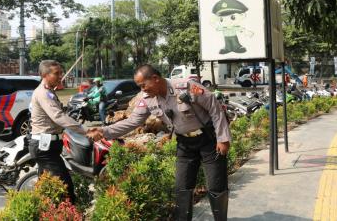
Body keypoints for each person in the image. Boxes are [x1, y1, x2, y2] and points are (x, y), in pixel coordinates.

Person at [87, 64, 231, 221]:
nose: (143, 90)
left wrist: (223, 138)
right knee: (181, 188)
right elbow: (133, 121)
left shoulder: (185, 86)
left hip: (209, 140)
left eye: (144, 85)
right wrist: (103, 131)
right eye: (140, 87)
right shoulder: (147, 99)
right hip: (184, 143)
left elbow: (214, 108)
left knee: (216, 187)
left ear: (155, 79)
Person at [28, 60, 89, 203]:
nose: (60, 76)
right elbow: (58, 117)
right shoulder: (43, 93)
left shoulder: (49, 92)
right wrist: (85, 131)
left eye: (61, 73)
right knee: (65, 187)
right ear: (44, 74)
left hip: (49, 146)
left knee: (48, 188)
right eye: (56, 73)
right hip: (44, 148)